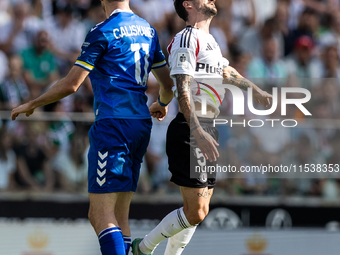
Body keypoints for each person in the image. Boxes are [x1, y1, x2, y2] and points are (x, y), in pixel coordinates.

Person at [11, 0, 174, 255]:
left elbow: (72, 85)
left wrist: (33, 103)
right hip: (140, 125)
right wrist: (162, 103)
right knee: (120, 215)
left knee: (100, 214)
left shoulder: (102, 30)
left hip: (112, 125)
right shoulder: (148, 29)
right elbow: (167, 83)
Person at [132, 1, 272, 255]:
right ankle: (143, 248)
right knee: (196, 211)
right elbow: (182, 84)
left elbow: (225, 72)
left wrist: (255, 90)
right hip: (192, 127)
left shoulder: (211, 41)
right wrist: (196, 130)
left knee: (199, 209)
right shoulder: (187, 38)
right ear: (188, 4)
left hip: (207, 126)